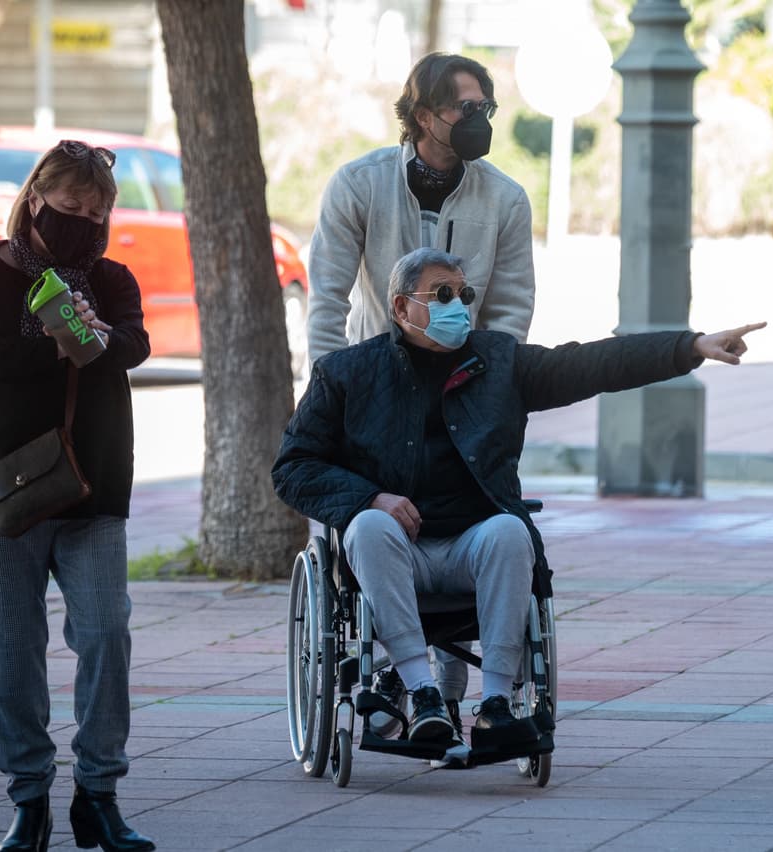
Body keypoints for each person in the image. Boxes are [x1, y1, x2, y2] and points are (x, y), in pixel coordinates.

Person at [272, 247, 764, 754]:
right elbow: (293, 468)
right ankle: (422, 694)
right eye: (441, 295)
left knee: (510, 529)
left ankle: (496, 705)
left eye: (464, 294)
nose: (457, 306)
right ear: (401, 308)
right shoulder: (348, 374)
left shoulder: (499, 363)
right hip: (394, 552)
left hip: (474, 548)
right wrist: (371, 497)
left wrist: (692, 347)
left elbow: (594, 364)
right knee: (367, 526)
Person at [307, 52, 537, 756]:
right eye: (465, 108)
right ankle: (392, 679)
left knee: (483, 521)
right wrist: (332, 388)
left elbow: (511, 306)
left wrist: (487, 378)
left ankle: (461, 692)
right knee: (373, 530)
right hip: (373, 389)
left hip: (463, 387)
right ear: (424, 114)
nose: (479, 120)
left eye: (486, 107)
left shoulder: (504, 199)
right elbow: (326, 299)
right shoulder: (360, 185)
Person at [0, 139, 155, 852]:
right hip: (0, 488)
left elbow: (135, 343)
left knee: (105, 635)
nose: (83, 222)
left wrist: (98, 338)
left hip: (90, 483)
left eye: (96, 213)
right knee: (10, 650)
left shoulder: (111, 277)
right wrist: (52, 347)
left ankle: (99, 793)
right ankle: (29, 800)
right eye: (70, 208)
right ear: (35, 199)